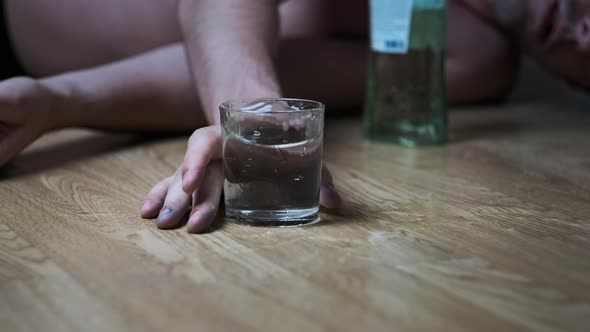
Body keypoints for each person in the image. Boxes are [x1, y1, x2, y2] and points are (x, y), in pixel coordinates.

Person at [0, 0, 588, 232]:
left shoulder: (468, 55)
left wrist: (59, 101)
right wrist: (253, 115)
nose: (584, 33)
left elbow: (286, 69)